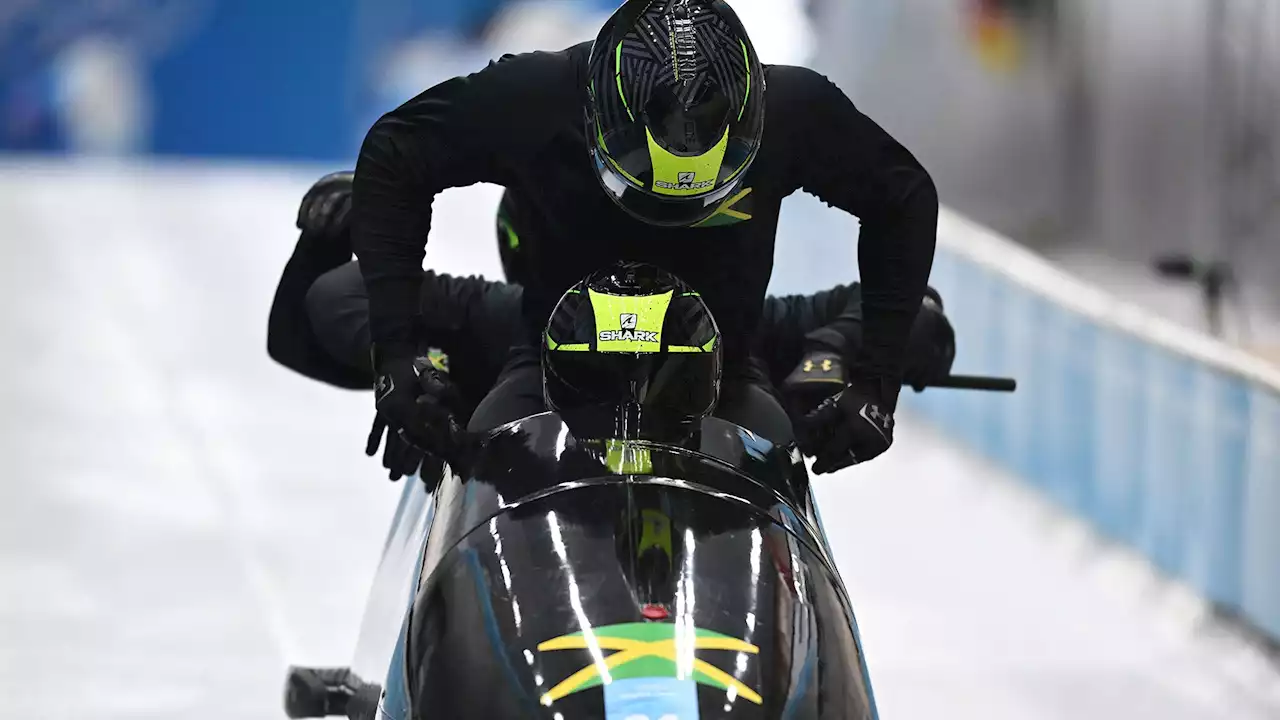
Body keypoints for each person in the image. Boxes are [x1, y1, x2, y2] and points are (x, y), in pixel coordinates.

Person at [351, 0, 939, 476]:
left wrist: (875, 386)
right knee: (489, 468)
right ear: (600, 120)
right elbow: (396, 156)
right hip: (553, 373)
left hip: (723, 377)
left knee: (773, 469)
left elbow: (902, 197)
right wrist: (395, 358)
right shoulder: (536, 96)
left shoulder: (793, 110)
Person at [269, 171, 954, 479]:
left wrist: (830, 358)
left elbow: (916, 316)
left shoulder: (734, 337)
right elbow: (320, 320)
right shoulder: (507, 327)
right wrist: (415, 367)